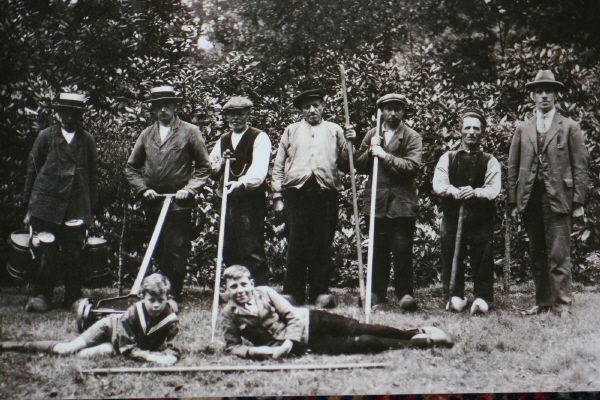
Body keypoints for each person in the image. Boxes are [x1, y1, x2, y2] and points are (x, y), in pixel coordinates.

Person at [220, 265, 453, 359]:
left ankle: (413, 331)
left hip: (314, 320)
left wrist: (287, 344)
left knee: (363, 328)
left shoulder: (265, 292)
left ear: (251, 283)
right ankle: (419, 343)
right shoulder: (229, 314)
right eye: (234, 287)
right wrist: (257, 351)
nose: (240, 291)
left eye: (243, 284)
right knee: (365, 342)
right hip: (309, 343)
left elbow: (291, 315)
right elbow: (231, 346)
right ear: (226, 290)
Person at [507, 70, 589, 316]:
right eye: (539, 91)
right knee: (537, 253)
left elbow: (580, 166)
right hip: (530, 198)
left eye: (548, 91)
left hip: (559, 198)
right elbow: (513, 166)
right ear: (533, 96)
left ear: (555, 95)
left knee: (559, 254)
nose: (544, 96)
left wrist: (578, 202)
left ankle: (562, 304)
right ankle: (543, 302)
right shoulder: (523, 128)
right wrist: (513, 201)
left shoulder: (570, 126)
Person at [126, 86, 211, 305]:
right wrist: (144, 190)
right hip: (153, 202)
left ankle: (173, 295)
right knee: (158, 247)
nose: (163, 110)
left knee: (176, 248)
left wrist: (189, 189)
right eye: (158, 106)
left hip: (178, 203)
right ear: (153, 110)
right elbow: (132, 168)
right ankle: (160, 293)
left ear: (175, 107)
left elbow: (204, 167)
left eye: (167, 105)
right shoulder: (147, 134)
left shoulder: (190, 131)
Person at [271, 89, 356, 308]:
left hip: (325, 193)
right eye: (307, 106)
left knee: (322, 243)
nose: (312, 110)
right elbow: (279, 165)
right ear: (301, 110)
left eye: (316, 105)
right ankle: (293, 292)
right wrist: (277, 195)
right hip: (296, 193)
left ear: (323, 106)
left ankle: (320, 292)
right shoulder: (291, 130)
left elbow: (347, 164)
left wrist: (350, 142)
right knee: (296, 243)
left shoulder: (335, 130)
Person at [22, 93, 99, 313]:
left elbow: (93, 176)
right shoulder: (45, 136)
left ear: (80, 116)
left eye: (74, 113)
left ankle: (73, 296)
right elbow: (32, 170)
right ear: (58, 113)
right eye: (64, 112)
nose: (69, 118)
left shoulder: (87, 140)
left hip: (75, 206)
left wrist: (91, 211)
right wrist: (29, 207)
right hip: (47, 205)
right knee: (47, 252)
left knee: (74, 253)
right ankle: (42, 295)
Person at [0, 273, 180, 365]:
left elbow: (174, 347)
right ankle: (10, 345)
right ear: (142, 297)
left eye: (160, 300)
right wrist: (153, 357)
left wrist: (170, 357)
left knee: (103, 351)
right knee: (66, 349)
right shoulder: (133, 312)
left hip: (116, 345)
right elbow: (128, 348)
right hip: (109, 328)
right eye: (151, 300)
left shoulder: (170, 320)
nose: (156, 305)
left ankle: (54, 354)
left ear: (167, 299)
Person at [355, 93, 423, 310]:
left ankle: (405, 294)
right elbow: (359, 165)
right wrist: (370, 150)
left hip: (402, 204)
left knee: (402, 250)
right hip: (377, 202)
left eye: (397, 109)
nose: (392, 113)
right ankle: (376, 293)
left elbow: (411, 167)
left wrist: (384, 155)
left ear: (403, 111)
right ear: (381, 112)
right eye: (388, 109)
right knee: (377, 250)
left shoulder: (412, 136)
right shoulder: (372, 134)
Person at [432, 109, 501, 315]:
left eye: (476, 129)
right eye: (467, 128)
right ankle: (456, 295)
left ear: (482, 133)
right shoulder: (448, 158)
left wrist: (475, 192)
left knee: (483, 255)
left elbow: (493, 189)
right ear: (460, 131)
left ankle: (482, 297)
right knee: (451, 253)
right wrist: (453, 191)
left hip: (481, 217)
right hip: (453, 216)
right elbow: (438, 184)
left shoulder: (490, 160)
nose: (471, 132)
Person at [209, 96, 271, 285]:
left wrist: (241, 184)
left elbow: (259, 171)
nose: (235, 118)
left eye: (239, 114)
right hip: (226, 200)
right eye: (231, 114)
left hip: (249, 201)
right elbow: (211, 167)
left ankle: (259, 289)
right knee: (229, 246)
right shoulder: (223, 140)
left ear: (247, 114)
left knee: (251, 247)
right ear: (227, 117)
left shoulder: (259, 137)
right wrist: (221, 162)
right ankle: (235, 289)